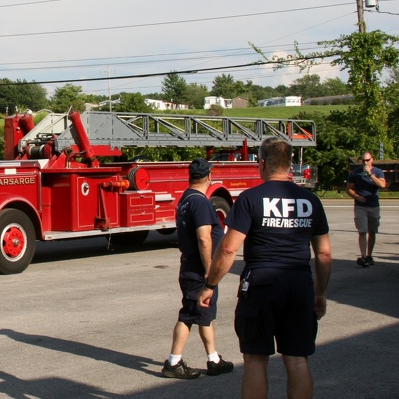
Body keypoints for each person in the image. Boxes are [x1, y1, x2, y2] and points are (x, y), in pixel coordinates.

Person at [199, 136, 332, 399]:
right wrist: (320, 293)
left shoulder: (250, 199)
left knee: (256, 359)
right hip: (299, 285)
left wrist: (210, 285)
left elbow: (228, 249)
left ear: (262, 163)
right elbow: (324, 253)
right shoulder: (310, 200)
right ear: (289, 164)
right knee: (296, 359)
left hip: (260, 285)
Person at [162, 158, 234, 379]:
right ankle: (173, 363)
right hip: (198, 270)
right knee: (190, 314)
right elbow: (204, 238)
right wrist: (209, 269)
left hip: (190, 266)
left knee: (203, 314)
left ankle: (213, 359)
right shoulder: (201, 202)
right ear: (209, 176)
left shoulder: (185, 198)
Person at [346, 151, 386, 267]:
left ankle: (369, 255)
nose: (365, 162)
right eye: (363, 160)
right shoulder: (355, 173)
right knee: (362, 231)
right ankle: (363, 256)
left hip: (373, 205)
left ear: (372, 160)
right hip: (360, 206)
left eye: (367, 160)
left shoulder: (377, 172)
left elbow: (382, 185)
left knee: (372, 231)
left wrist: (370, 175)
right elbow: (348, 189)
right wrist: (356, 196)